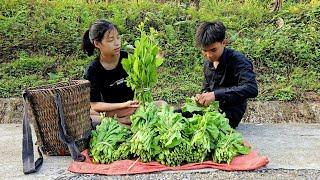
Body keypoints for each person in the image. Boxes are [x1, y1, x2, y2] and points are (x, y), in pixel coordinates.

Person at [194, 21, 258, 128]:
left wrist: (215, 95)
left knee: (200, 126)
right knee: (177, 114)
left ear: (224, 42)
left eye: (213, 50)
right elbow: (206, 88)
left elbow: (251, 88)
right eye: (204, 51)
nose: (209, 55)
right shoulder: (207, 63)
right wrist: (202, 96)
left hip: (230, 114)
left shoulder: (239, 61)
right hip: (212, 109)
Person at [82, 19, 139, 125]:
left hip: (131, 108)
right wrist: (123, 105)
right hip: (111, 111)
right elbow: (94, 105)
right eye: (110, 40)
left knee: (161, 104)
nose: (117, 43)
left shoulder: (127, 58)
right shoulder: (93, 70)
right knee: (89, 114)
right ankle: (120, 122)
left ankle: (121, 122)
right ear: (97, 44)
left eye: (118, 37)